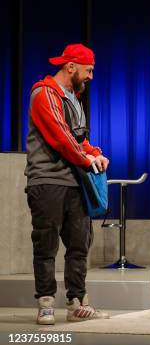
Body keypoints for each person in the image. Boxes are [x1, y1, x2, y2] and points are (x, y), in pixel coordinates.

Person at [25, 44, 110, 325]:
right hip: (47, 180)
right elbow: (61, 137)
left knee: (79, 245)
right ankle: (46, 302)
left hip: (75, 183)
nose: (91, 77)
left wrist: (95, 153)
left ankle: (77, 303)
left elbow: (78, 138)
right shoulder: (44, 93)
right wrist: (86, 160)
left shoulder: (74, 97)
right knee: (46, 244)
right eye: (88, 70)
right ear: (70, 67)